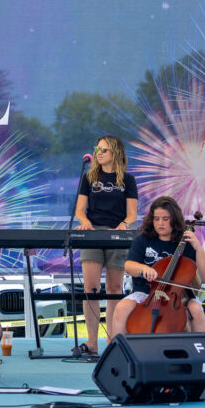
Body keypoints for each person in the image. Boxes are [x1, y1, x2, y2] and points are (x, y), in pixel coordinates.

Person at [72, 135, 138, 356]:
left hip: (117, 236)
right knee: (91, 289)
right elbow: (80, 210)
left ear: (115, 153)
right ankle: (91, 342)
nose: (99, 153)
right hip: (93, 234)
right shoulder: (89, 178)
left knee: (113, 290)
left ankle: (112, 341)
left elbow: (132, 213)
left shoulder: (127, 180)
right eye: (97, 149)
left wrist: (123, 225)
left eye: (104, 150)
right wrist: (86, 224)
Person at [113, 196, 205, 336]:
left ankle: (202, 353)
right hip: (146, 293)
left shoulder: (186, 243)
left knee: (196, 309)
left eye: (165, 219)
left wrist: (197, 247)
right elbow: (129, 265)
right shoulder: (143, 239)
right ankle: (118, 350)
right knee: (122, 307)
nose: (160, 223)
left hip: (178, 296)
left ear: (174, 219)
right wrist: (144, 268)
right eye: (156, 219)